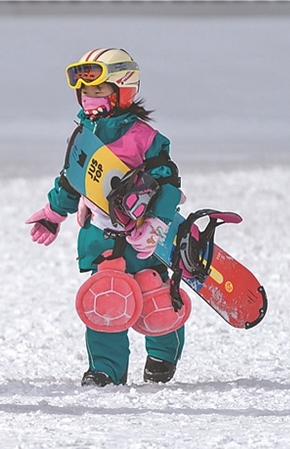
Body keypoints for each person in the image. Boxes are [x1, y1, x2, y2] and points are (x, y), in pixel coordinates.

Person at [27, 48, 187, 386]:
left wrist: (158, 223)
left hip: (143, 234)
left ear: (122, 90)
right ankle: (106, 368)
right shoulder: (84, 134)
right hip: (102, 232)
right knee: (107, 296)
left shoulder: (145, 138)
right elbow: (72, 179)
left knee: (151, 292)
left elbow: (169, 182)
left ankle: (162, 352)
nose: (89, 98)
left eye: (99, 90)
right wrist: (53, 213)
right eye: (85, 91)